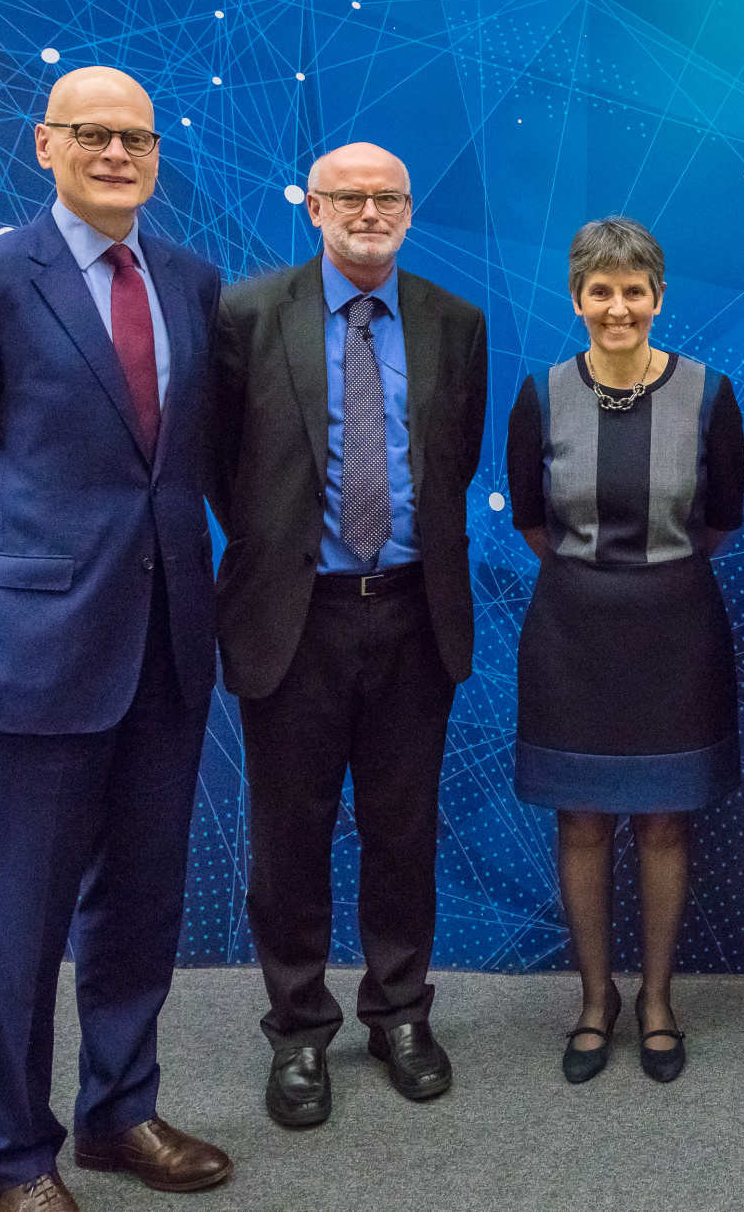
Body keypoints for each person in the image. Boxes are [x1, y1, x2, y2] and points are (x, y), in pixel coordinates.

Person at [0, 66, 231, 1211]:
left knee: (139, 907)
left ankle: (118, 1113)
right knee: (21, 924)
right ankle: (8, 1155)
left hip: (166, 649)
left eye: (135, 137)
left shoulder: (190, 281)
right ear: (44, 144)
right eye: (91, 133)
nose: (116, 153)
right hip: (31, 657)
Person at [208, 143, 488, 1127]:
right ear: (315, 208)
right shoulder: (246, 314)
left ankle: (399, 1013)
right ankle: (297, 1029)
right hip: (296, 617)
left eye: (388, 198)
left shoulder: (456, 322)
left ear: (408, 210)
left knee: (403, 832)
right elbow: (221, 463)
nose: (370, 212)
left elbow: (453, 460)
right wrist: (282, 550)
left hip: (413, 612)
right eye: (350, 198)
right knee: (290, 836)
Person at [505, 217, 744, 1085]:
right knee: (581, 819)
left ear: (658, 298)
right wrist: (602, 575)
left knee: (665, 820)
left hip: (676, 631)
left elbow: (723, 520)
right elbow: (531, 520)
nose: (617, 307)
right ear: (576, 299)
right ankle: (595, 1000)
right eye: (600, 291)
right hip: (572, 633)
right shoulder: (539, 395)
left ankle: (658, 1002)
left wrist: (648, 574)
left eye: (633, 291)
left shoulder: (710, 394)